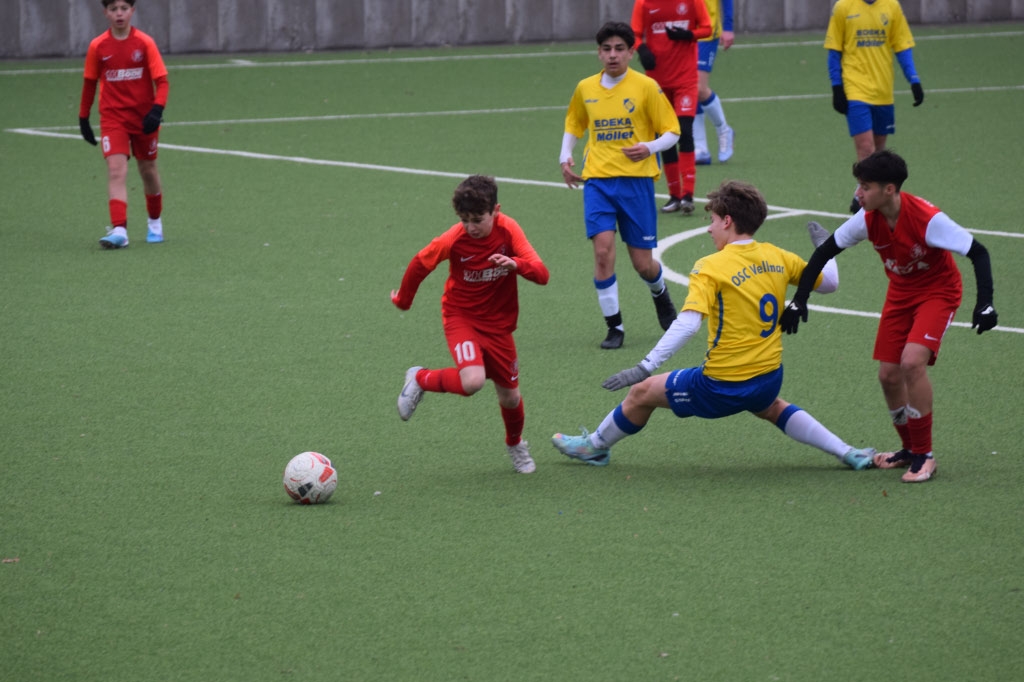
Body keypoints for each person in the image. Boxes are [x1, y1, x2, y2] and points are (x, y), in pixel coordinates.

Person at [551, 180, 877, 472]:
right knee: (772, 407)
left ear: (727, 221)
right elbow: (829, 283)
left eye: (713, 220)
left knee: (640, 393)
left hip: (723, 384)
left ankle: (595, 447)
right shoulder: (777, 256)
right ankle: (848, 452)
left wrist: (644, 366)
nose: (709, 229)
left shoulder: (711, 266)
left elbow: (687, 325)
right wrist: (826, 249)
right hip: (768, 377)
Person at [781, 150, 998, 483]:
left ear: (889, 189)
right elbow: (824, 252)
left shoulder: (928, 219)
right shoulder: (867, 218)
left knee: (911, 363)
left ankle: (925, 456)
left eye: (865, 187)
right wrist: (799, 301)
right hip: (900, 293)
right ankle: (909, 449)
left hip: (938, 293)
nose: (858, 193)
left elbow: (978, 252)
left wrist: (985, 303)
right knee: (889, 376)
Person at [391, 175, 550, 474]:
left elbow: (542, 275)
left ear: (496, 211)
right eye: (464, 220)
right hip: (461, 317)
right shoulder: (453, 238)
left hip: (499, 325)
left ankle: (515, 444)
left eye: (478, 220)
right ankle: (420, 378)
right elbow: (420, 263)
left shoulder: (509, 230)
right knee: (473, 381)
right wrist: (404, 300)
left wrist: (517, 264)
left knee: (510, 396)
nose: (471, 227)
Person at [560, 21, 683, 350]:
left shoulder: (646, 87)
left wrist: (649, 148)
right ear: (598, 53)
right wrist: (565, 156)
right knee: (602, 252)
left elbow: (672, 131)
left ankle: (659, 292)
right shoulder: (586, 88)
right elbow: (574, 123)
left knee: (643, 264)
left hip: (636, 183)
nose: (612, 55)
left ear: (631, 52)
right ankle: (614, 327)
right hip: (598, 181)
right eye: (606, 49)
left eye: (619, 49)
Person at [79, 0, 169, 249]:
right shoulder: (98, 46)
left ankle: (155, 223)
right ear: (105, 13)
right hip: (113, 119)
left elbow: (162, 81)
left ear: (132, 11)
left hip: (143, 118)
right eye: (113, 9)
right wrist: (83, 117)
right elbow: (89, 82)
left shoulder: (144, 43)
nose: (119, 13)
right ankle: (120, 230)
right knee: (116, 170)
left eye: (123, 8)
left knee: (148, 170)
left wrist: (156, 110)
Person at [824, 0, 924, 213]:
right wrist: (837, 87)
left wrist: (914, 79)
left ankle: (862, 194)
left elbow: (902, 47)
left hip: (883, 92)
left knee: (878, 153)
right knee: (866, 148)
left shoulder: (891, 6)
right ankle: (863, 202)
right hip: (855, 89)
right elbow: (834, 52)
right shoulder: (843, 7)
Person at [630, 0, 712, 213]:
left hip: (685, 79)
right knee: (665, 135)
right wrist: (642, 49)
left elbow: (707, 28)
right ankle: (674, 195)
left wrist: (689, 35)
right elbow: (634, 35)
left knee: (684, 131)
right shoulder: (644, 3)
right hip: (657, 80)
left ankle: (688, 195)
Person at [692, 0, 735, 165]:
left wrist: (728, 26)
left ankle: (723, 129)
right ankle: (700, 148)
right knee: (690, 89)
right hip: (683, 31)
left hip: (707, 32)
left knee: (699, 88)